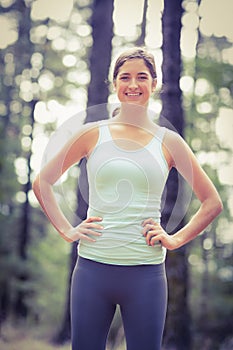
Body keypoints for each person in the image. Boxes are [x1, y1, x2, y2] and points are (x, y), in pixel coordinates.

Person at [32, 47, 223, 350]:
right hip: (92, 270)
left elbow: (212, 202)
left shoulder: (169, 141)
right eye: (125, 77)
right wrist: (67, 229)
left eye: (141, 77)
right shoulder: (92, 134)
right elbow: (42, 181)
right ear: (115, 83)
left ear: (154, 83)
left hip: (146, 274)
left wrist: (174, 239)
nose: (133, 84)